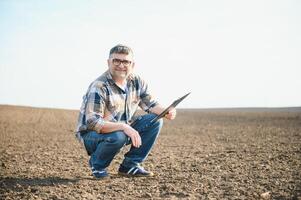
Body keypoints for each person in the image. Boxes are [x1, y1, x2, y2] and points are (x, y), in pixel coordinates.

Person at [76, 44, 176, 179]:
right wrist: (124, 127)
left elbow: (150, 104)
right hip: (92, 135)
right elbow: (93, 122)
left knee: (155, 121)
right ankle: (98, 165)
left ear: (132, 64)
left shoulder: (136, 81)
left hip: (120, 128)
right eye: (116, 60)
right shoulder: (99, 86)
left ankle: (130, 165)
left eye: (125, 61)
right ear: (108, 62)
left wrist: (167, 111)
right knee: (119, 136)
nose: (121, 65)